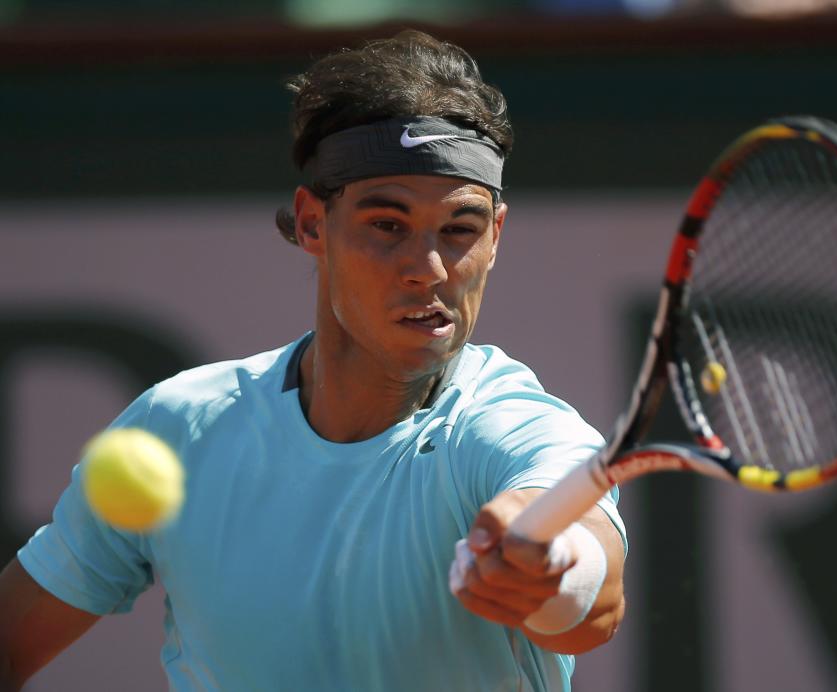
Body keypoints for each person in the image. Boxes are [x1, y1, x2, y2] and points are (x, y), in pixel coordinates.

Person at [0, 30, 626, 691]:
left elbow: (595, 602)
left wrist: (548, 567)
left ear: (495, 235)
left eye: (460, 230)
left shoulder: (513, 426)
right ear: (312, 225)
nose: (429, 269)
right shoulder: (178, 428)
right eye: (387, 225)